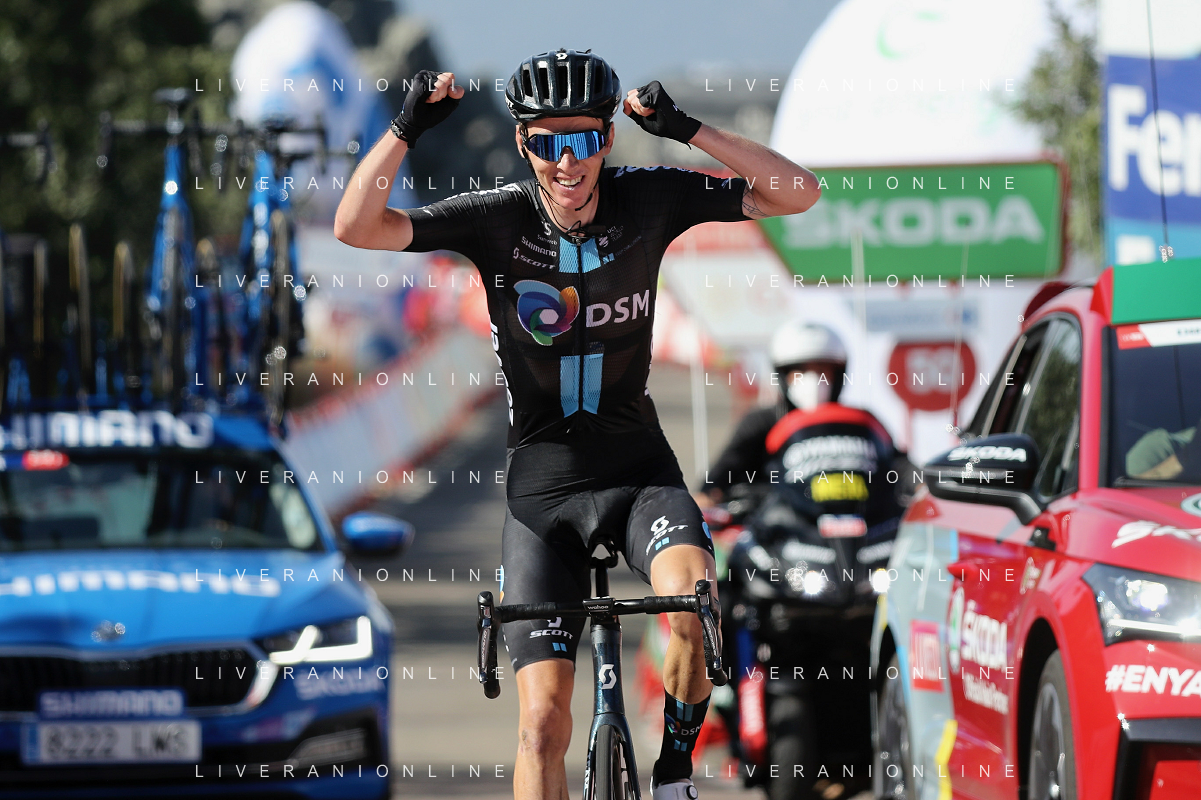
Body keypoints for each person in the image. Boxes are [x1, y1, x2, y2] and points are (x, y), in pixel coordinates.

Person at [334, 49, 820, 800]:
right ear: (523, 143)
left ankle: (673, 774)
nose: (568, 162)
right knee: (539, 728)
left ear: (608, 138)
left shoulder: (648, 198)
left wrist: (688, 130)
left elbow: (797, 193)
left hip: (639, 476)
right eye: (547, 143)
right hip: (543, 495)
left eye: (584, 139)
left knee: (695, 603)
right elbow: (356, 226)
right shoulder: (495, 218)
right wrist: (407, 128)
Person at [694, 321, 848, 510]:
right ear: (783, 375)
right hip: (778, 523)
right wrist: (709, 496)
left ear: (838, 376)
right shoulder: (761, 422)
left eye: (822, 371)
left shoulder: (853, 424)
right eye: (800, 371)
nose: (813, 380)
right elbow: (718, 480)